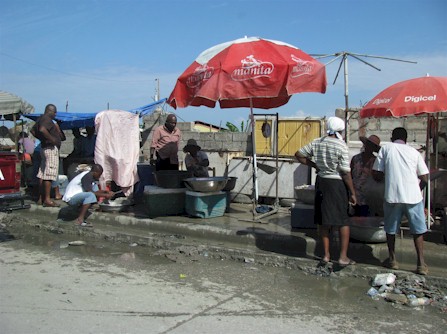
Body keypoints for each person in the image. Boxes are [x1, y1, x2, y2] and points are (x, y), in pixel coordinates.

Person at [295, 116, 357, 266]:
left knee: (323, 221)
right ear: (341, 130)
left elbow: (299, 154)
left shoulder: (318, 142)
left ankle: (326, 255)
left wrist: (315, 165)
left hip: (322, 182)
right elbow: (345, 172)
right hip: (337, 184)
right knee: (343, 221)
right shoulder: (341, 146)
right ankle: (343, 257)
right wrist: (352, 192)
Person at [372, 127, 429, 275]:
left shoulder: (386, 149)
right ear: (406, 139)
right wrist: (416, 188)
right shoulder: (414, 152)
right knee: (418, 231)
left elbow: (377, 173)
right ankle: (421, 264)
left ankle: (393, 260)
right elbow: (425, 178)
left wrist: (386, 177)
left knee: (391, 230)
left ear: (392, 137)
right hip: (413, 197)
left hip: (393, 196)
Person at [31, 104, 66, 207]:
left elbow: (33, 131)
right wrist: (52, 139)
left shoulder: (40, 119)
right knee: (49, 175)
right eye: (54, 112)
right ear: (50, 111)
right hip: (50, 148)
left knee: (42, 174)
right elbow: (42, 129)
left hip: (44, 147)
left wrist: (42, 139)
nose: (55, 115)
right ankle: (47, 199)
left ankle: (41, 198)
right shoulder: (47, 120)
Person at [350, 135, 381, 216]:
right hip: (354, 196)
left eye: (372, 146)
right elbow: (350, 175)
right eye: (368, 144)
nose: (368, 147)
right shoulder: (355, 158)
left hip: (368, 198)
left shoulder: (376, 162)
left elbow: (378, 178)